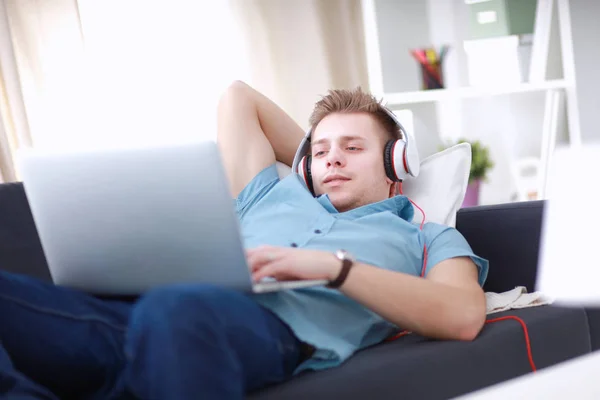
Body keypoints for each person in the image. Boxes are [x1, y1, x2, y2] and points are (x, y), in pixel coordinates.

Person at [0, 81, 488, 400]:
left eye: (353, 149)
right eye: (321, 153)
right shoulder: (269, 195)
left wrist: (333, 268)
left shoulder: (425, 234)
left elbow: (463, 315)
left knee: (176, 310)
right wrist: (316, 153)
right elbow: (238, 97)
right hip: (134, 315)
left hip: (255, 328)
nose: (333, 160)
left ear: (396, 165)